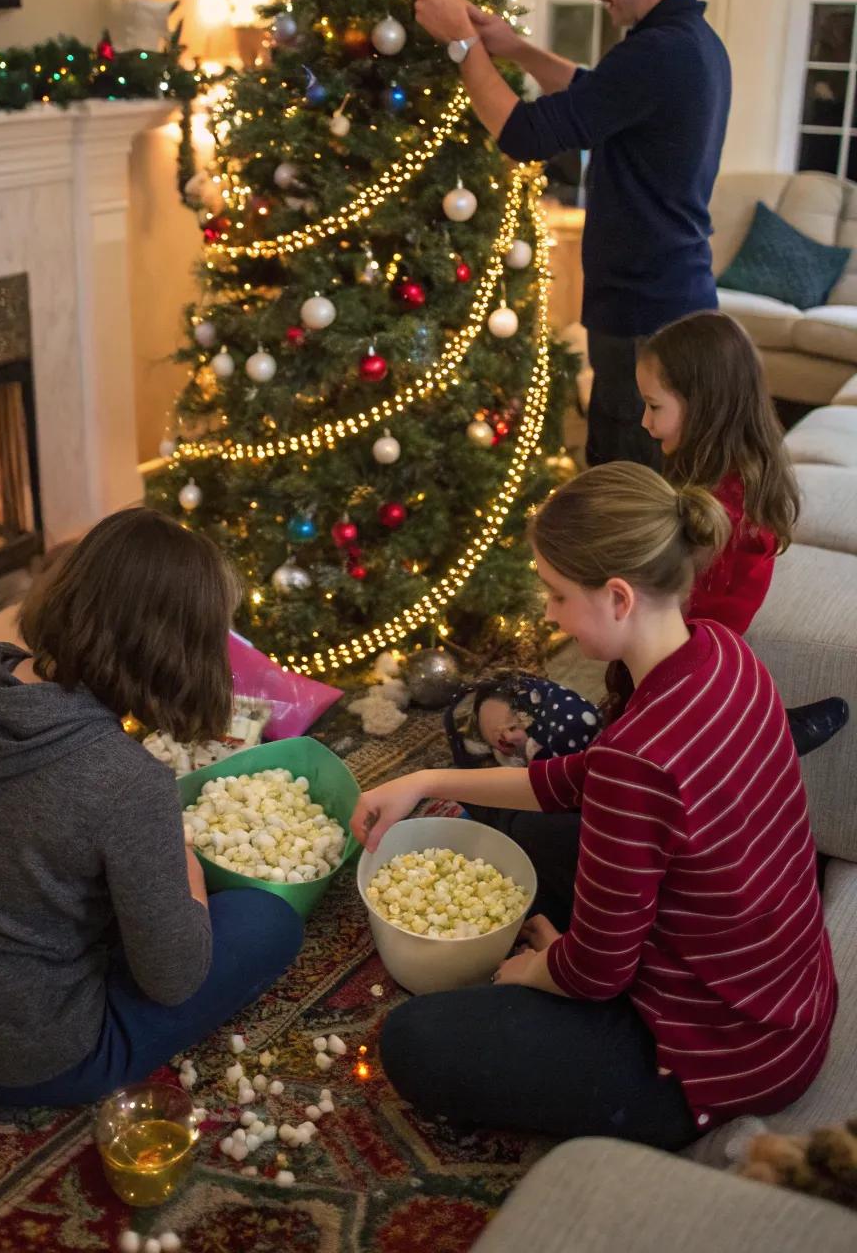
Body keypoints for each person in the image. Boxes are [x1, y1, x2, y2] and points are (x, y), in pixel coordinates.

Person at [351, 464, 836, 1147]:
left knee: (413, 1042)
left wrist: (542, 968)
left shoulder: (638, 761)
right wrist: (427, 779)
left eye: (555, 594)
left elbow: (597, 972)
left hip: (724, 1052)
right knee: (527, 831)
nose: (546, 613)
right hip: (789, 997)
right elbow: (573, 779)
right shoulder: (721, 652)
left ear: (616, 597)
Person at [0, 508, 303, 1104]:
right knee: (270, 922)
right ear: (180, 654)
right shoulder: (129, 782)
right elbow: (174, 977)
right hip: (24, 1055)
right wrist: (180, 858)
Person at [415, 0, 731, 468]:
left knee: (626, 505)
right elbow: (595, 94)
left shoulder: (658, 52)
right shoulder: (689, 42)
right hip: (667, 305)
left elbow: (523, 134)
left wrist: (462, 42)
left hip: (646, 319)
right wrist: (513, 48)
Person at [633, 309, 847, 751]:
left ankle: (770, 732)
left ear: (705, 405)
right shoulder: (721, 463)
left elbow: (697, 624)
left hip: (706, 648)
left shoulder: (723, 507)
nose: (645, 422)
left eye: (654, 407)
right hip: (711, 642)